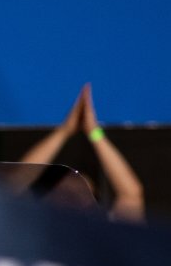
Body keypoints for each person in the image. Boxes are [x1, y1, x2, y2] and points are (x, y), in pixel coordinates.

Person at [20, 83, 144, 221]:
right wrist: (64, 132)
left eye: (83, 193)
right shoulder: (31, 230)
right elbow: (17, 183)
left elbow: (130, 194)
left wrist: (94, 133)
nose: (74, 197)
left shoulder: (105, 237)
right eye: (67, 191)